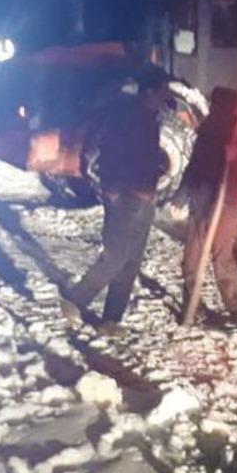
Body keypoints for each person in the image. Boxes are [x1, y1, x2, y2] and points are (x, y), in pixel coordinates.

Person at [60, 73, 170, 332]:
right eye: (162, 92)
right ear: (149, 92)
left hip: (145, 198)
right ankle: (75, 299)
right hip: (126, 197)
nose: (165, 97)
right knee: (116, 257)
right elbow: (108, 153)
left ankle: (111, 320)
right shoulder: (126, 116)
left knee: (131, 262)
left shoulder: (150, 119)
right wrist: (113, 188)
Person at [178, 86, 237, 327]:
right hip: (201, 202)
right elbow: (194, 167)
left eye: (220, 108)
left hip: (225, 204)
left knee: (221, 256)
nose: (215, 112)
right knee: (192, 258)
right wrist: (182, 195)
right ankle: (192, 306)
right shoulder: (208, 133)